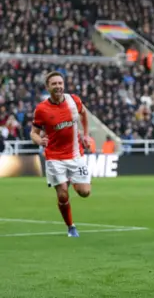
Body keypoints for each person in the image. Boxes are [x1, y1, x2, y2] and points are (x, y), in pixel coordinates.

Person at [30, 71, 92, 238]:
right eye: (54, 84)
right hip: (54, 157)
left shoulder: (74, 101)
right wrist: (39, 140)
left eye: (60, 83)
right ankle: (71, 227)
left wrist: (86, 134)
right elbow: (33, 133)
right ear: (48, 87)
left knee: (85, 192)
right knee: (63, 193)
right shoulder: (41, 109)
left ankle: (70, 179)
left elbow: (84, 114)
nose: (58, 86)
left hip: (75, 154)